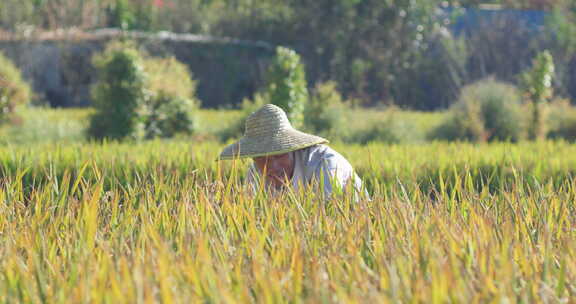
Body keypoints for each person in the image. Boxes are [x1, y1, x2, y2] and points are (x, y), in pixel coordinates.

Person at [219, 104, 368, 200]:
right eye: (262, 159)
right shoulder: (255, 173)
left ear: (293, 148)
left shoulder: (325, 166)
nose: (272, 166)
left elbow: (327, 219)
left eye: (279, 155)